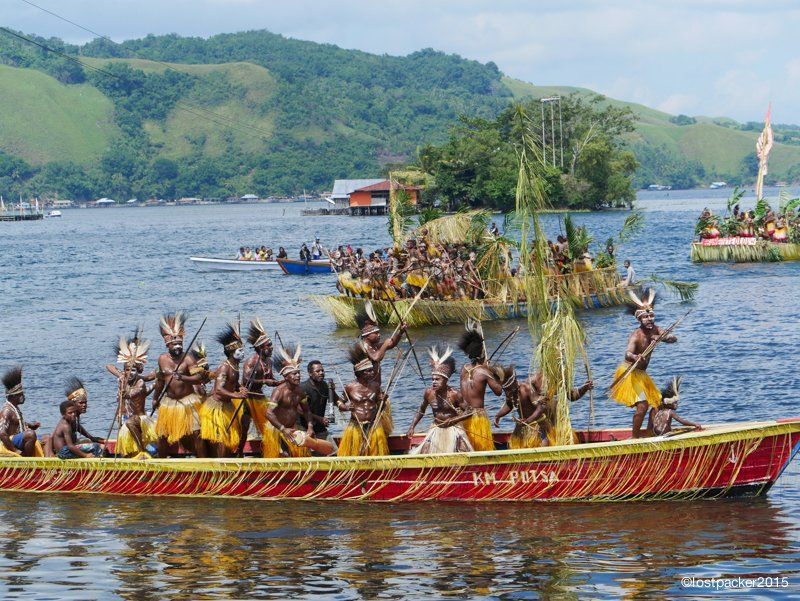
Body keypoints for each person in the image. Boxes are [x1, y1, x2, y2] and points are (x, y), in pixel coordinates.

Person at [610, 290, 677, 438]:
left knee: (657, 403)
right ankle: (634, 437)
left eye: (651, 316)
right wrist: (635, 356)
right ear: (639, 319)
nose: (649, 319)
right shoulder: (636, 335)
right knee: (642, 405)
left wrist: (663, 338)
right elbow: (627, 353)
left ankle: (648, 433)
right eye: (645, 317)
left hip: (641, 375)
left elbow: (672, 338)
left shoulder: (656, 329)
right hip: (630, 372)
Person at [495, 369, 592, 447]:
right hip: (535, 426)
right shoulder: (533, 380)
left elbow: (572, 396)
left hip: (555, 424)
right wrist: (499, 415)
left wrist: (585, 388)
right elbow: (514, 401)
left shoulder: (560, 376)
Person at [153, 313, 205, 457]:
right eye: (174, 344)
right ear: (167, 345)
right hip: (169, 403)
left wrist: (183, 377)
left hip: (188, 401)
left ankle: (202, 463)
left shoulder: (188, 359)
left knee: (196, 432)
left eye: (180, 344)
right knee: (162, 434)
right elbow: (160, 381)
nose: (177, 346)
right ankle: (161, 465)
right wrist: (155, 398)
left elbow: (199, 377)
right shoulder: (162, 360)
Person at [407, 346, 473, 454]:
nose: (434, 382)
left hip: (454, 428)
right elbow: (421, 410)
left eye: (437, 379)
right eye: (432, 379)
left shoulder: (455, 394)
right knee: (425, 451)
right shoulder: (429, 393)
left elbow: (470, 411)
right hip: (436, 427)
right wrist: (412, 427)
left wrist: (454, 419)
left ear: (445, 380)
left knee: (463, 451)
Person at [355, 301, 405, 434]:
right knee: (371, 422)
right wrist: (384, 345)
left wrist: (400, 332)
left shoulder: (374, 345)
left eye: (379, 333)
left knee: (380, 423)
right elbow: (376, 357)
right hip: (366, 390)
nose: (379, 335)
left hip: (376, 389)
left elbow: (392, 344)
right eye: (376, 333)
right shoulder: (363, 346)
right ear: (367, 336)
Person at [200, 324, 249, 458]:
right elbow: (219, 390)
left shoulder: (235, 366)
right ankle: (220, 466)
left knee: (232, 437)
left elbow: (232, 382)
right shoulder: (224, 367)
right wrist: (236, 395)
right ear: (231, 352)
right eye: (240, 351)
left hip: (227, 406)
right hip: (217, 408)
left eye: (243, 350)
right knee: (222, 439)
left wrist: (240, 387)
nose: (243, 353)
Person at [106, 334, 157, 457]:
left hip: (139, 419)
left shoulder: (140, 382)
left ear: (138, 370)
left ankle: (142, 452)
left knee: (134, 429)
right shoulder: (122, 378)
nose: (130, 373)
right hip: (123, 416)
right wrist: (120, 375)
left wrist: (126, 393)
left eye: (133, 370)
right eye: (127, 369)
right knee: (126, 447)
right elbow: (109, 366)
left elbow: (134, 393)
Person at [458, 321, 504, 451]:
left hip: (464, 415)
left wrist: (485, 367)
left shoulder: (463, 369)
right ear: (482, 353)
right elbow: (499, 391)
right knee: (481, 449)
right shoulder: (484, 372)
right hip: (478, 418)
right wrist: (497, 375)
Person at [263, 345, 315, 458]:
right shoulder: (279, 392)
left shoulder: (300, 391)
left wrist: (310, 427)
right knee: (285, 456)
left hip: (292, 429)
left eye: (299, 373)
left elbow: (307, 411)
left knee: (304, 454)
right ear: (286, 377)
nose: (298, 376)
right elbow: (268, 413)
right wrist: (282, 429)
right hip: (277, 429)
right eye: (294, 374)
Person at [337, 344, 389, 457]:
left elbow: (381, 408)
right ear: (360, 373)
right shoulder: (350, 387)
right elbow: (339, 402)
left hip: (373, 426)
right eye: (368, 371)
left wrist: (383, 401)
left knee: (375, 455)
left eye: (372, 370)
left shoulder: (375, 386)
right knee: (355, 455)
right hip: (356, 426)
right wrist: (346, 407)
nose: (372, 373)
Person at [239, 318, 279, 455]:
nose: (271, 347)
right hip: (246, 398)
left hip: (259, 396)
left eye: (271, 344)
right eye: (269, 345)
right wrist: (264, 381)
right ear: (261, 348)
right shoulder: (252, 361)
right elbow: (246, 380)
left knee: (268, 425)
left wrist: (279, 383)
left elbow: (270, 378)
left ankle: (269, 451)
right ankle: (239, 453)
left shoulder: (268, 361)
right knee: (244, 428)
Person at [0, 367, 42, 457]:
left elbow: (16, 422)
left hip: (17, 439)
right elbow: (2, 433)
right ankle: (28, 461)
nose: (23, 397)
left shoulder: (14, 408)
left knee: (47, 438)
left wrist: (30, 425)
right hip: (10, 442)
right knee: (31, 434)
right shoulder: (7, 411)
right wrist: (16, 451)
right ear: (13, 396)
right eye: (20, 394)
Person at [300, 360, 340, 444]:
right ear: (310, 373)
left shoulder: (325, 386)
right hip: (304, 427)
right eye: (317, 371)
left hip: (320, 428)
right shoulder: (303, 388)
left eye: (322, 370)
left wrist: (333, 391)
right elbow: (300, 410)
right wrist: (319, 419)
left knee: (333, 452)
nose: (321, 373)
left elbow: (338, 402)